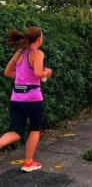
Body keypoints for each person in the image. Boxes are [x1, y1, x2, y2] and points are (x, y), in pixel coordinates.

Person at [1, 27, 53, 172]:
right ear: (38, 39)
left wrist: (22, 79)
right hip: (32, 99)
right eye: (42, 37)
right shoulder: (38, 53)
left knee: (16, 131)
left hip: (16, 98)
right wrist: (47, 73)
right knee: (35, 129)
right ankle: (28, 163)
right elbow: (37, 72)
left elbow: (7, 72)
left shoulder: (19, 53)